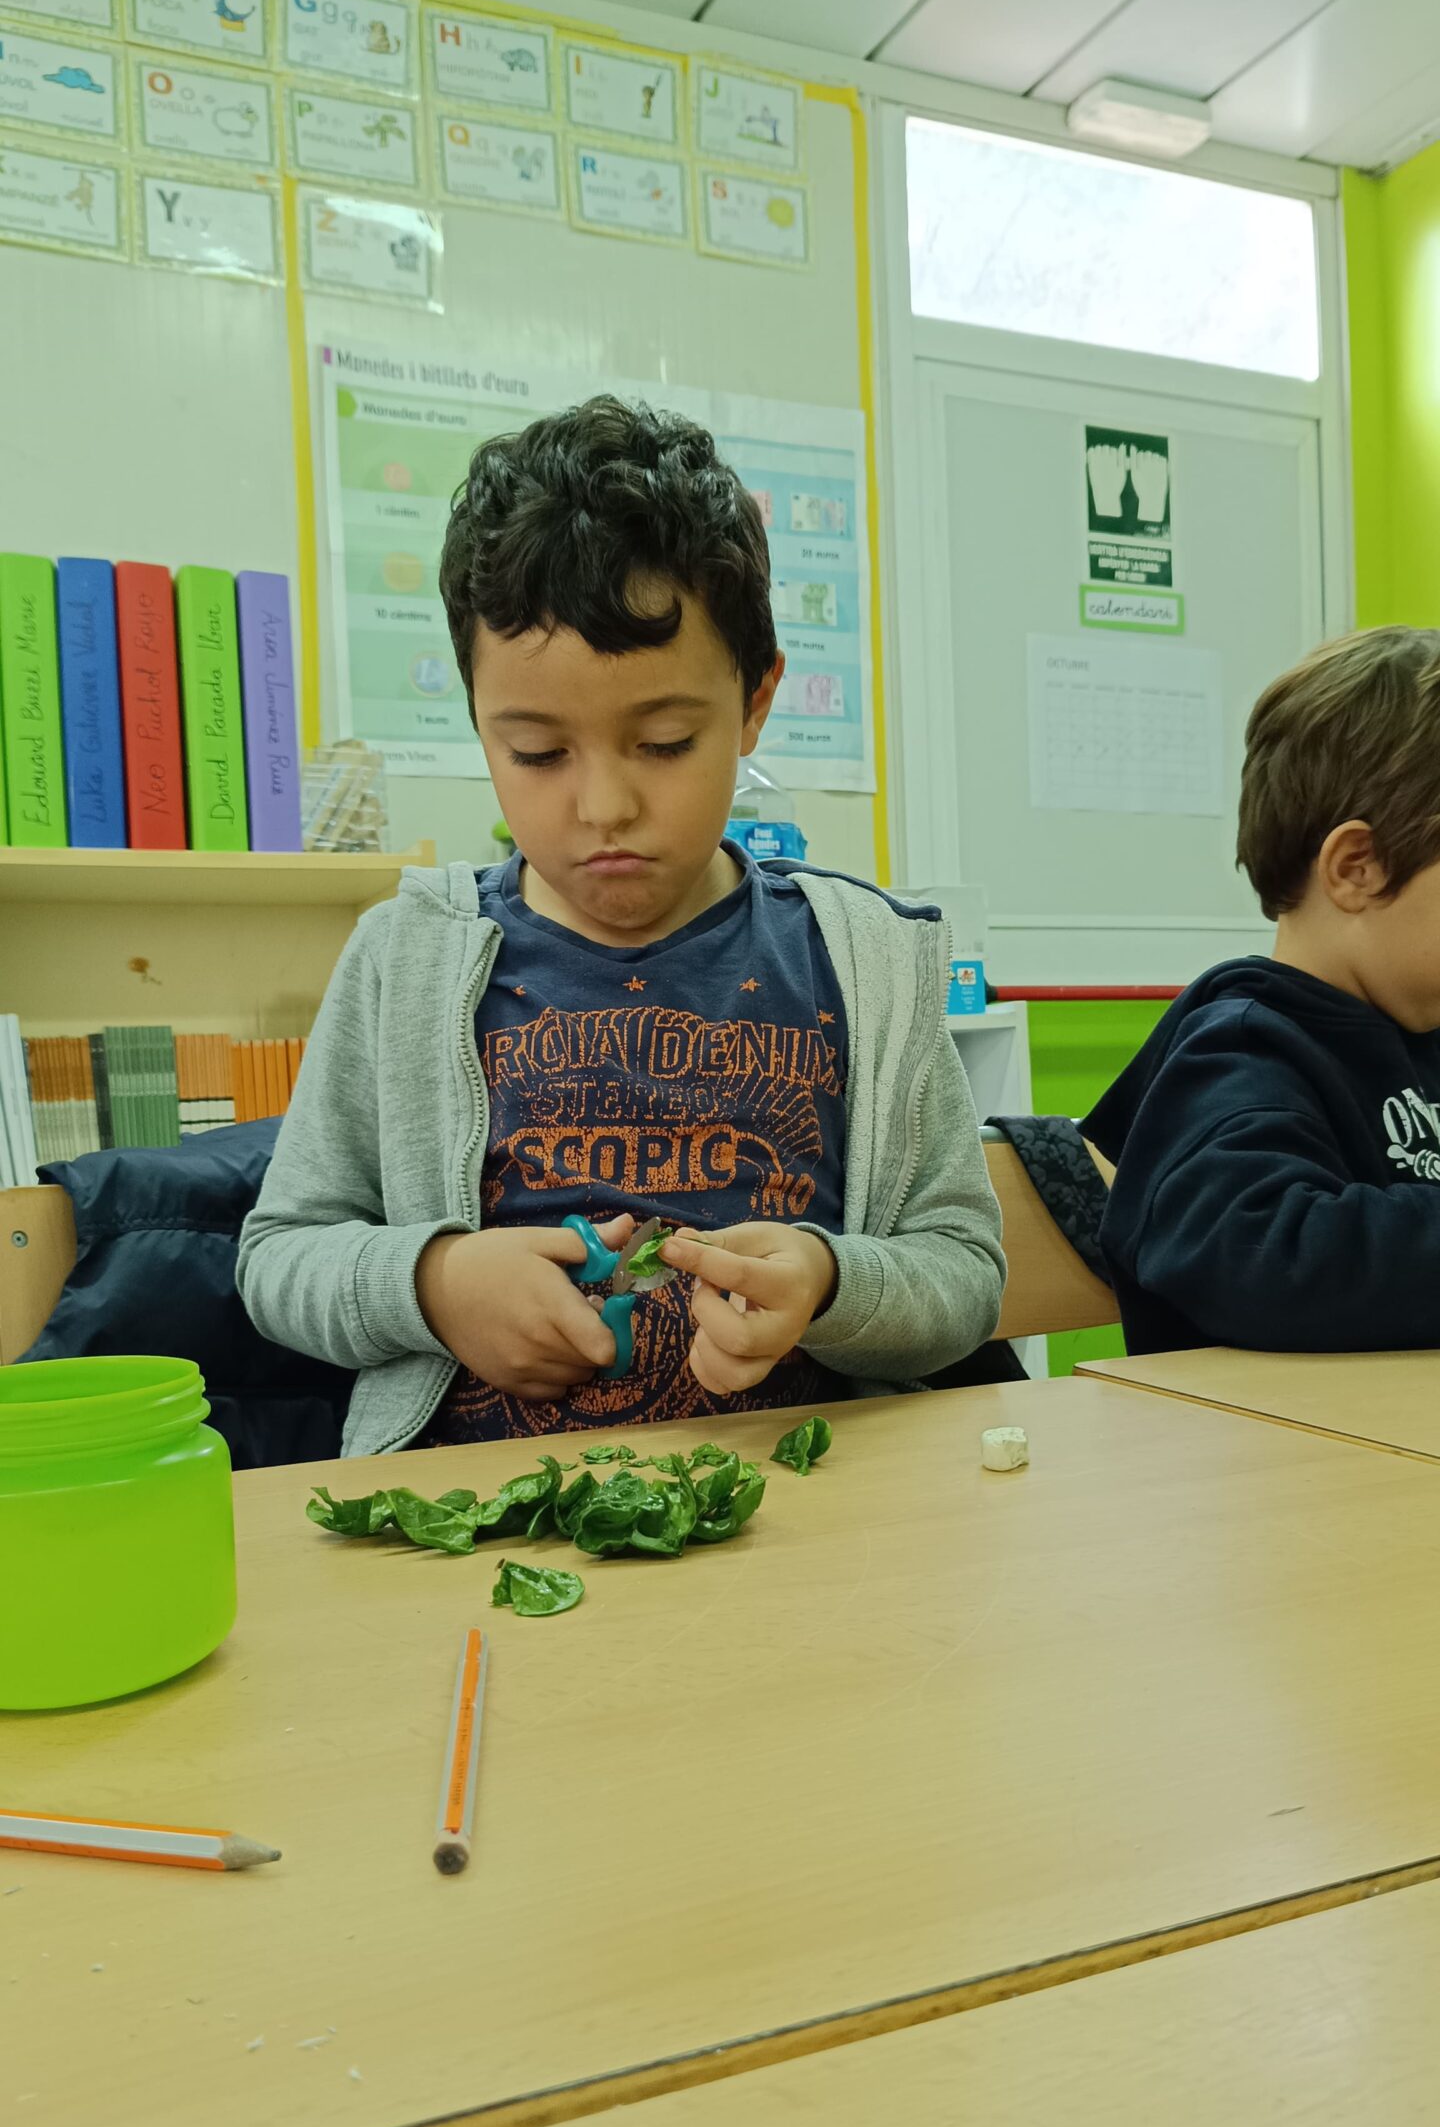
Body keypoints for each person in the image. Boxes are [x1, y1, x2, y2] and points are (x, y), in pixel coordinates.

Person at [238, 396, 1004, 1454]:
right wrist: (436, 1281)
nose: (603, 807)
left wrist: (833, 1282)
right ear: (478, 722)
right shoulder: (404, 956)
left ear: (755, 702)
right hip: (488, 1511)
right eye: (538, 754)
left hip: (810, 1510)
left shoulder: (864, 961)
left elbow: (964, 1268)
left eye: (665, 742)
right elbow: (280, 1256)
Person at [1084, 627, 1440, 1354]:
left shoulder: (1422, 1032)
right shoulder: (1240, 1050)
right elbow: (1264, 1254)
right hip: (1259, 1425)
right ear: (1357, 868)